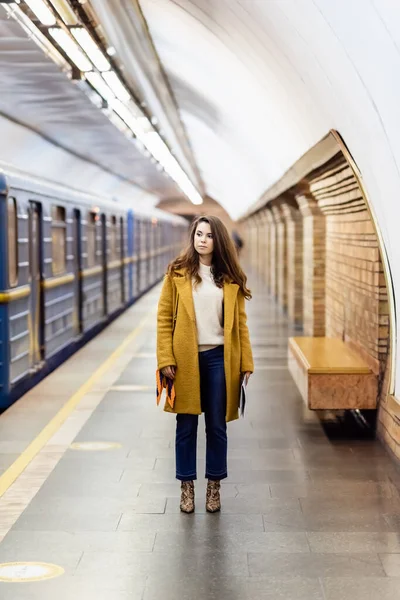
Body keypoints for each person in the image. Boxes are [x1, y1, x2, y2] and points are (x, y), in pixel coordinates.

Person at [156, 215, 254, 513]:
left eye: (209, 235)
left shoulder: (230, 278)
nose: (202, 239)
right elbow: (163, 319)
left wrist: (246, 361)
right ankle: (187, 488)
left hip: (218, 359)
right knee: (185, 425)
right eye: (198, 234)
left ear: (218, 240)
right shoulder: (177, 273)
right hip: (185, 360)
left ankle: (214, 487)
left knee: (216, 426)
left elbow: (241, 324)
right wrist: (165, 358)